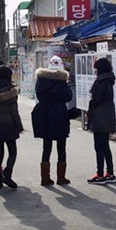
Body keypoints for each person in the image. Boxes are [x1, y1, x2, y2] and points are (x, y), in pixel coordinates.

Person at [31, 55, 73, 186]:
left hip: (44, 113)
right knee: (61, 146)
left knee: (46, 147)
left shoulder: (41, 80)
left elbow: (38, 95)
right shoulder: (62, 81)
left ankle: (45, 178)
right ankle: (61, 177)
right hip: (59, 114)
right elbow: (68, 97)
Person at [86, 57, 116, 185]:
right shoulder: (109, 80)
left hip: (100, 116)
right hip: (108, 115)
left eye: (96, 68)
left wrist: (89, 112)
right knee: (105, 146)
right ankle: (110, 173)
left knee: (99, 147)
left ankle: (99, 175)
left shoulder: (101, 81)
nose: (95, 71)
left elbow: (95, 99)